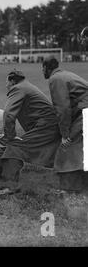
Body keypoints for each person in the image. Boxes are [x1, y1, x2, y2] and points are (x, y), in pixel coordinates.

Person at [0, 70, 61, 193]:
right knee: (58, 154)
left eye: (6, 82)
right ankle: (75, 179)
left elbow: (8, 114)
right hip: (52, 125)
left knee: (14, 147)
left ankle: (10, 186)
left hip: (46, 126)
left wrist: (10, 136)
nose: (6, 85)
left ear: (12, 81)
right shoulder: (27, 86)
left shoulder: (18, 88)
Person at [42, 57, 88, 192]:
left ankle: (69, 187)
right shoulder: (66, 74)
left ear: (46, 67)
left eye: (42, 68)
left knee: (67, 148)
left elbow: (63, 109)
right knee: (82, 149)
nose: (42, 71)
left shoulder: (55, 79)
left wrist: (65, 134)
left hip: (85, 112)